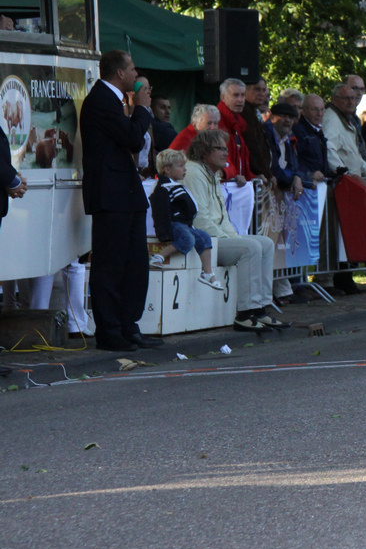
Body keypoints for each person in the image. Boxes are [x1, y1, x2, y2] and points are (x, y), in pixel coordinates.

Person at [79, 50, 164, 351]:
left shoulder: (114, 100)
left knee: (135, 264)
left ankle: (129, 324)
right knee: (111, 264)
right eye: (132, 68)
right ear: (119, 73)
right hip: (110, 194)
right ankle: (109, 330)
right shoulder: (101, 100)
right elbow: (131, 138)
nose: (136, 73)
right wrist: (141, 109)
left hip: (126, 193)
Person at [183, 129, 285, 332]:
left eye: (225, 148)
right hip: (203, 241)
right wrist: (227, 239)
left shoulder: (211, 173)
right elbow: (200, 217)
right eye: (220, 149)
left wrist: (234, 237)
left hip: (215, 237)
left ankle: (261, 308)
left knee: (265, 243)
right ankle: (245, 313)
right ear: (204, 151)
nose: (226, 153)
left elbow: (223, 216)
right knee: (250, 248)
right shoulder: (194, 173)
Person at [148, 148, 224, 291]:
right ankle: (158, 256)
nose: (185, 169)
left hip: (186, 224)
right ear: (167, 170)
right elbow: (160, 211)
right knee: (187, 240)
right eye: (180, 166)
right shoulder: (162, 188)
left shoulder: (175, 185)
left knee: (204, 237)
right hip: (174, 224)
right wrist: (163, 231)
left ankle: (207, 273)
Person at [215, 78, 254, 186]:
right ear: (223, 97)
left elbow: (241, 162)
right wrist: (232, 174)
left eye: (243, 95)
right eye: (235, 95)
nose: (240, 100)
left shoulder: (237, 124)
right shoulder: (216, 122)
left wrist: (252, 177)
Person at [293, 93, 330, 183]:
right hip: (305, 183)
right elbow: (295, 158)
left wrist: (330, 172)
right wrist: (309, 173)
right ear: (304, 111)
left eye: (322, 109)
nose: (319, 114)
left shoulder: (318, 130)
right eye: (314, 109)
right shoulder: (298, 130)